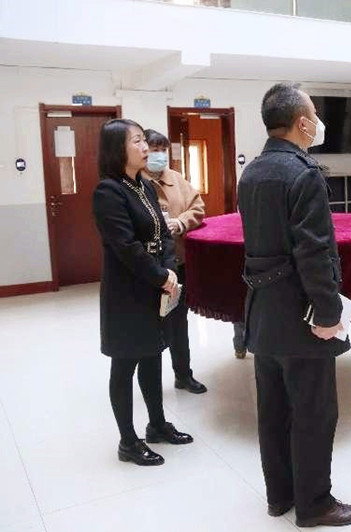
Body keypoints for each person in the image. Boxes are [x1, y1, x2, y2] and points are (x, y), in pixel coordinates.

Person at [238, 83, 351, 528]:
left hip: (263, 313)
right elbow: (313, 253)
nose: (318, 123)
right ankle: (314, 504)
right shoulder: (303, 174)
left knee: (273, 411)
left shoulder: (251, 172)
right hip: (300, 316)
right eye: (314, 114)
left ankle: (279, 496)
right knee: (314, 412)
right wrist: (329, 314)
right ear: (302, 123)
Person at [92, 119, 193, 466]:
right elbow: (126, 247)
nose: (145, 147)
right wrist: (160, 275)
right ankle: (128, 441)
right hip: (127, 293)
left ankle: (157, 425)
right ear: (117, 149)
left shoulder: (145, 187)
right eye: (136, 141)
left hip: (154, 287)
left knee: (152, 355)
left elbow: (163, 234)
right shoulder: (108, 192)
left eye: (142, 140)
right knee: (124, 365)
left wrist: (168, 268)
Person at [141, 129, 207, 394]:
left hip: (177, 264)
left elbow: (198, 208)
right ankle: (150, 382)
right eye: (153, 149)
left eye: (162, 149)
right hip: (149, 267)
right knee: (150, 325)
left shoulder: (176, 179)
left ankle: (183, 375)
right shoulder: (135, 181)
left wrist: (180, 222)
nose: (158, 155)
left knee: (179, 323)